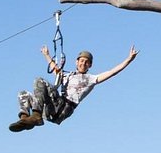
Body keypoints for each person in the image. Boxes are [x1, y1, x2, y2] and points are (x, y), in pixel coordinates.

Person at [9, 45, 138, 132]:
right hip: (51, 111)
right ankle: (25, 119)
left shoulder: (90, 79)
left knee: (39, 81)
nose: (83, 63)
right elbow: (56, 70)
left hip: (64, 107)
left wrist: (128, 60)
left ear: (90, 65)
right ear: (77, 62)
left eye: (86, 62)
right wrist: (47, 55)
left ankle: (36, 115)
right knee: (23, 94)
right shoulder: (67, 75)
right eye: (81, 61)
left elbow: (112, 72)